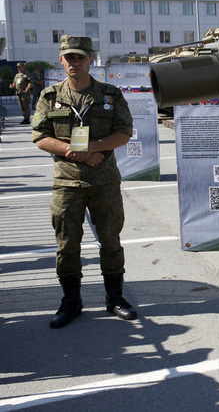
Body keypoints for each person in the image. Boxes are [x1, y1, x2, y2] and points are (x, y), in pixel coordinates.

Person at [32, 35, 137, 329]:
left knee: (110, 240)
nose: (75, 62)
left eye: (81, 57)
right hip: (67, 183)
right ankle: (71, 302)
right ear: (61, 60)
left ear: (91, 60)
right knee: (67, 244)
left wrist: (92, 147)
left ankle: (115, 298)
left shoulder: (110, 94)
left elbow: (124, 132)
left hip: (104, 181)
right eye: (70, 57)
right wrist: (74, 153)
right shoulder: (50, 96)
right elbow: (40, 137)